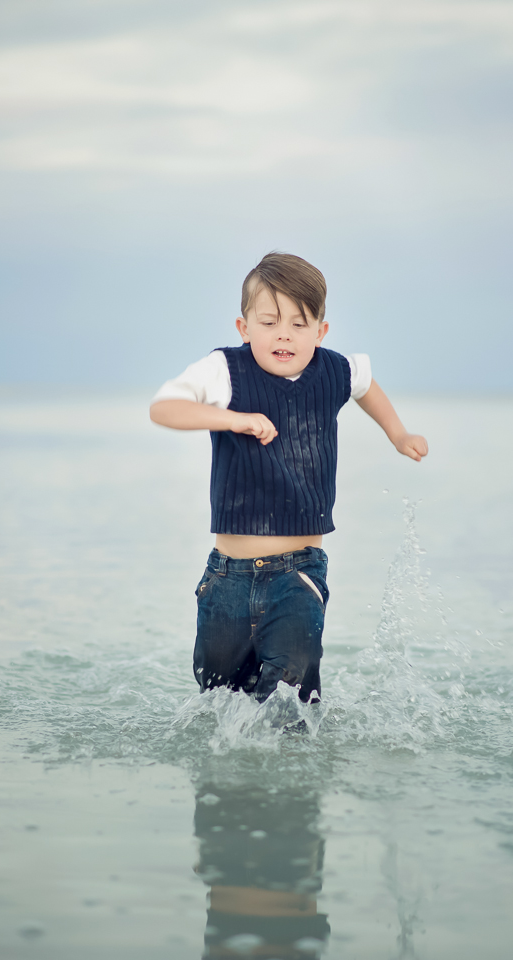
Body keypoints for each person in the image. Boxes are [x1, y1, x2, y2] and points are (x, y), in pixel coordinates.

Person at [150, 252, 428, 704]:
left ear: (321, 331)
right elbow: (164, 408)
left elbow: (366, 384)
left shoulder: (334, 369)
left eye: (300, 323)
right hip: (228, 578)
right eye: (269, 321)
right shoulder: (224, 370)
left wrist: (398, 434)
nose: (284, 333)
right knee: (217, 698)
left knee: (292, 702)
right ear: (244, 328)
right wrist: (232, 420)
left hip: (299, 574)